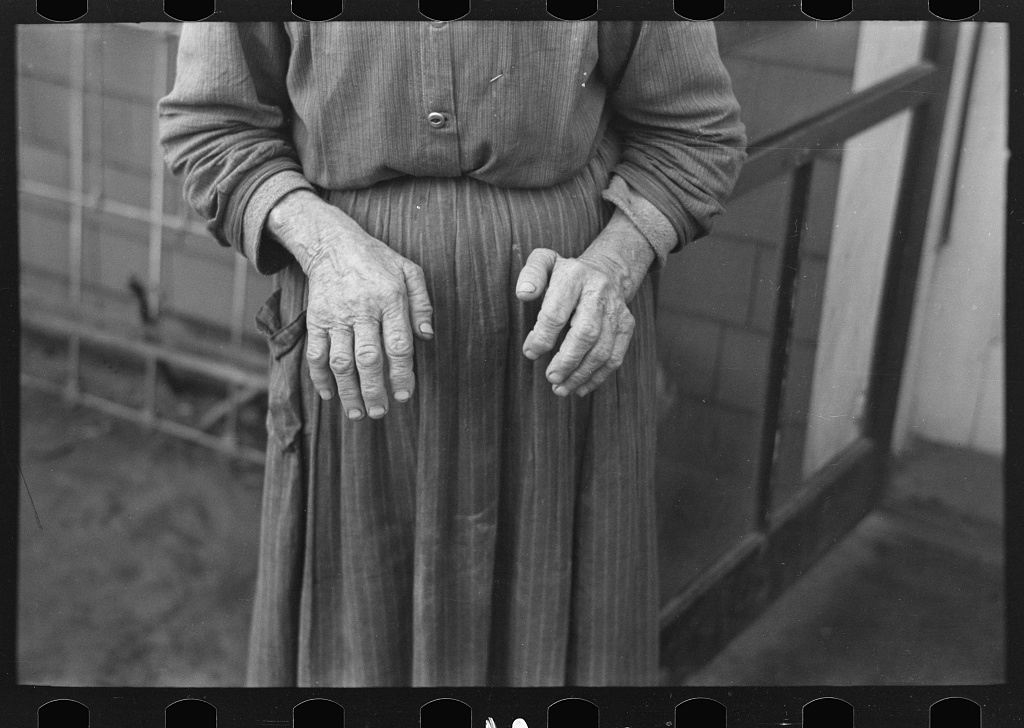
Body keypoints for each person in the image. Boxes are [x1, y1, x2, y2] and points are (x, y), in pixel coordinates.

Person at [159, 20, 745, 688]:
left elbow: (696, 134)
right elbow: (211, 127)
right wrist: (325, 248)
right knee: (357, 636)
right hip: (357, 337)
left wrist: (616, 263)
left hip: (564, 351)